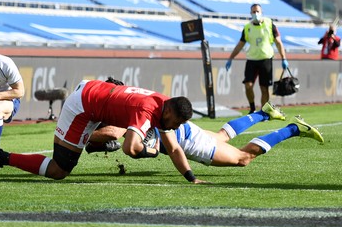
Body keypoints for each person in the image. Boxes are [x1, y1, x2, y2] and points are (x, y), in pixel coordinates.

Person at [0, 78, 206, 184]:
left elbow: (174, 148)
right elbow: (130, 149)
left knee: (111, 136)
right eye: (177, 123)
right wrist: (152, 152)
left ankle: (95, 143)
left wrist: (191, 178)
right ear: (170, 113)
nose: (176, 128)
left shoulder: (165, 104)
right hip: (83, 107)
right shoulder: (147, 110)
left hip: (94, 93)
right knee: (59, 170)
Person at [89, 101, 324, 169]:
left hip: (189, 142)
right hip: (186, 131)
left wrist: (85, 137)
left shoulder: (126, 123)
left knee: (242, 158)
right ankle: (263, 114)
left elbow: (115, 132)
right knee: (222, 135)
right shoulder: (136, 108)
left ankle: (294, 129)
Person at [225, 3, 289, 114]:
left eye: (257, 11)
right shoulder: (247, 27)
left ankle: (263, 112)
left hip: (266, 59)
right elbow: (240, 45)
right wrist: (231, 58)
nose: (256, 14)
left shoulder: (269, 24)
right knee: (248, 85)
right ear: (250, 13)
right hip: (252, 59)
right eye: (253, 12)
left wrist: (284, 58)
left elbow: (278, 42)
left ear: (262, 12)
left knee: (264, 88)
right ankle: (252, 108)